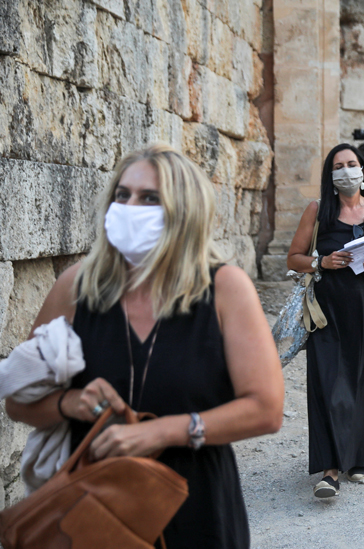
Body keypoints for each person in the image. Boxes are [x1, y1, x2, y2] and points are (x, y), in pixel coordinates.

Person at [5, 144, 285, 548]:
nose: (130, 206)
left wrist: (162, 432)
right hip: (93, 510)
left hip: (196, 506)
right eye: (123, 194)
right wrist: (70, 403)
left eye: (149, 198)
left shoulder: (224, 289)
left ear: (184, 211)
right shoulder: (76, 287)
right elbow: (17, 403)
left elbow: (266, 409)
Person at [287, 143, 364, 499]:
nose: (346, 170)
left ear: (362, 170)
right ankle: (330, 470)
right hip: (327, 313)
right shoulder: (318, 210)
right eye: (339, 165)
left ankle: (357, 458)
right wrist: (322, 262)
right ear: (330, 174)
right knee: (328, 384)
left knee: (362, 382)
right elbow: (294, 257)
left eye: (352, 164)